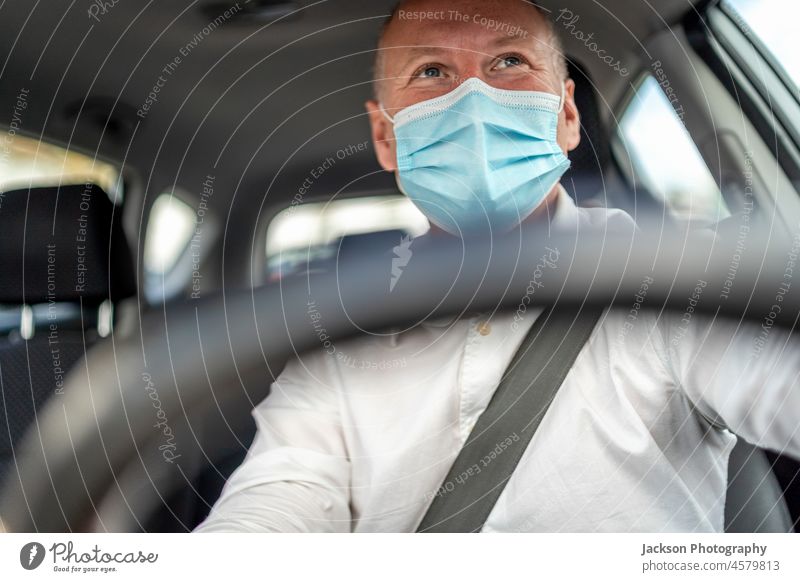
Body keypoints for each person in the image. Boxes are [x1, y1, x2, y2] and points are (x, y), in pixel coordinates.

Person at [195, 0, 800, 532]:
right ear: (386, 137)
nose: (474, 99)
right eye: (432, 72)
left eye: (509, 61)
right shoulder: (337, 325)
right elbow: (282, 493)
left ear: (566, 116)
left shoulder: (667, 278)